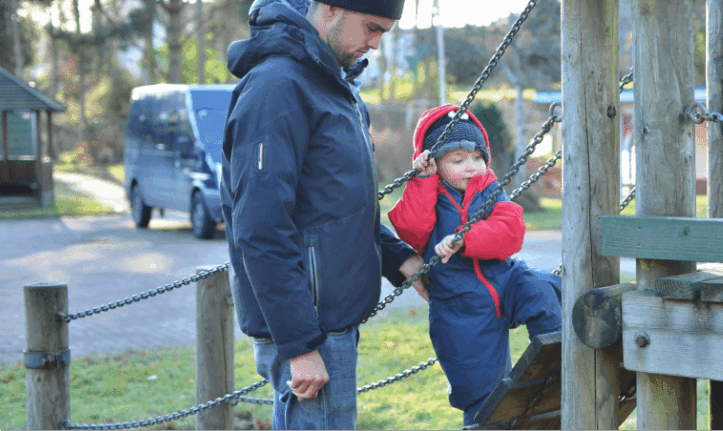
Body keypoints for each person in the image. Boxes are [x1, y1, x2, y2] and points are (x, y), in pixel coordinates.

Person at [220, 0, 425, 429]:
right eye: (371, 28)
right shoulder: (278, 87)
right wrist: (299, 345)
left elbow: (334, 205)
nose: (375, 45)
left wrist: (399, 259)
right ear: (332, 8)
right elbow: (259, 228)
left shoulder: (331, 85)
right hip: (309, 328)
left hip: (327, 321)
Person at [387, 105, 563, 426]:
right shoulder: (427, 194)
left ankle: (554, 371)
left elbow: (512, 231)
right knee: (482, 393)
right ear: (434, 164)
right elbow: (410, 229)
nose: (471, 167)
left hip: (505, 281)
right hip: (460, 307)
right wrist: (422, 182)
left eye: (477, 158)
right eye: (457, 160)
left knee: (544, 290)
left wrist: (465, 239)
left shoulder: (489, 187)